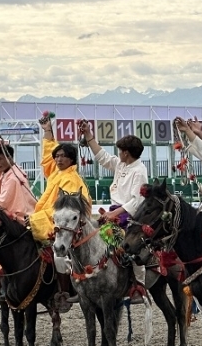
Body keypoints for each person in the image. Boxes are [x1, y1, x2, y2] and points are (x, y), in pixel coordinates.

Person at [80, 122, 149, 290]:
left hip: (131, 216)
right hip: (114, 213)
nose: (118, 153)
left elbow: (137, 201)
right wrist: (88, 135)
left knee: (131, 248)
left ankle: (139, 286)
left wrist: (114, 213)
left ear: (126, 153)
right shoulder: (121, 164)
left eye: (120, 151)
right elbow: (102, 157)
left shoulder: (139, 171)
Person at [28, 116, 91, 242]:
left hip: (62, 229)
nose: (58, 159)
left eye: (63, 156)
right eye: (56, 156)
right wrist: (47, 130)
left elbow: (65, 211)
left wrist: (35, 220)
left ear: (71, 159)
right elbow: (49, 149)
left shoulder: (71, 179)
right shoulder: (58, 172)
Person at [0, 134, 37, 221]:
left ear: (9, 158)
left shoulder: (12, 178)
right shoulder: (9, 171)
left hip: (21, 220)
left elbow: (2, 203)